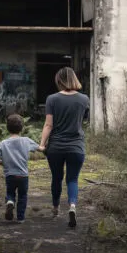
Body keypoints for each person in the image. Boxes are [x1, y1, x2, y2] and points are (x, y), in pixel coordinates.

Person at [39, 67, 89, 228]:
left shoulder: (52, 99)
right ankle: (72, 206)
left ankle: (55, 208)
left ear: (59, 80)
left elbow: (48, 124)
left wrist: (42, 144)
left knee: (57, 178)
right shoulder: (84, 99)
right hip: (76, 146)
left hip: (56, 147)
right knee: (73, 179)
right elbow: (83, 120)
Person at [0, 114, 43, 223]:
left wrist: (3, 163)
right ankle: (20, 218)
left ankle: (10, 202)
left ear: (7, 128)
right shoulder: (26, 140)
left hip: (10, 175)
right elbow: (40, 148)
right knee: (22, 196)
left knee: (10, 192)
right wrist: (45, 144)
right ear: (22, 128)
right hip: (23, 175)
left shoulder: (3, 143)